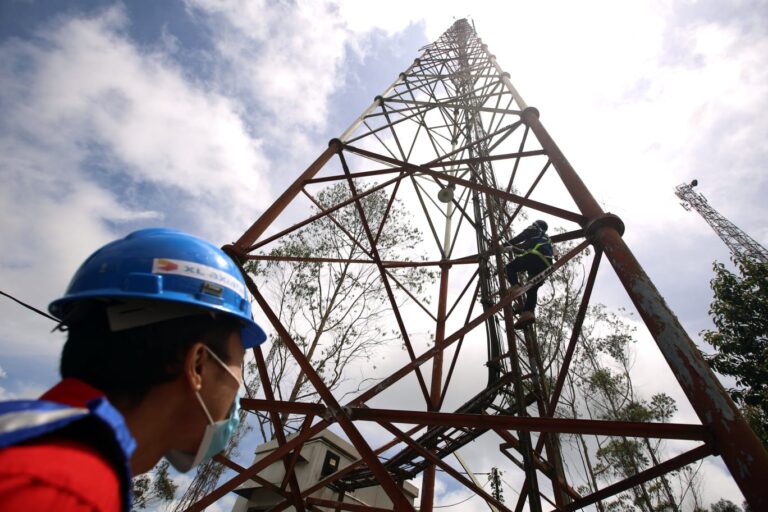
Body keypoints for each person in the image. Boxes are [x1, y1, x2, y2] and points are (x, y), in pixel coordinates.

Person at [0, 228, 267, 511]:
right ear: (197, 364)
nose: (239, 385)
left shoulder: (26, 438)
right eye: (240, 364)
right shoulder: (63, 490)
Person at [503, 220, 553, 329]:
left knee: (509, 268)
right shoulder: (546, 239)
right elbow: (525, 248)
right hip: (546, 264)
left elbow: (521, 237)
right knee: (532, 288)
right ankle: (528, 312)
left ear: (536, 224)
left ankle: (515, 286)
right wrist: (512, 248)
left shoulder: (534, 229)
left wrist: (505, 245)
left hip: (535, 257)